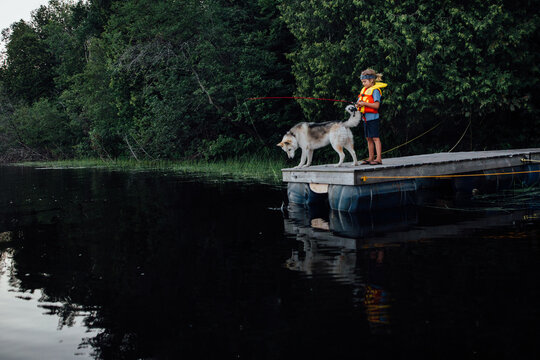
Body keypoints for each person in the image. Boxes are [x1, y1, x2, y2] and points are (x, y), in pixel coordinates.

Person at [356, 69, 387, 165]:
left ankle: (378, 159)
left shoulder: (375, 91)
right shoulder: (364, 90)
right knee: (368, 138)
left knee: (375, 138)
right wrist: (358, 105)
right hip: (365, 118)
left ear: (371, 80)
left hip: (373, 118)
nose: (363, 84)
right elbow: (359, 102)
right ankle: (370, 158)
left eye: (365, 82)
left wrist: (364, 103)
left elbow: (376, 106)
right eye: (362, 82)